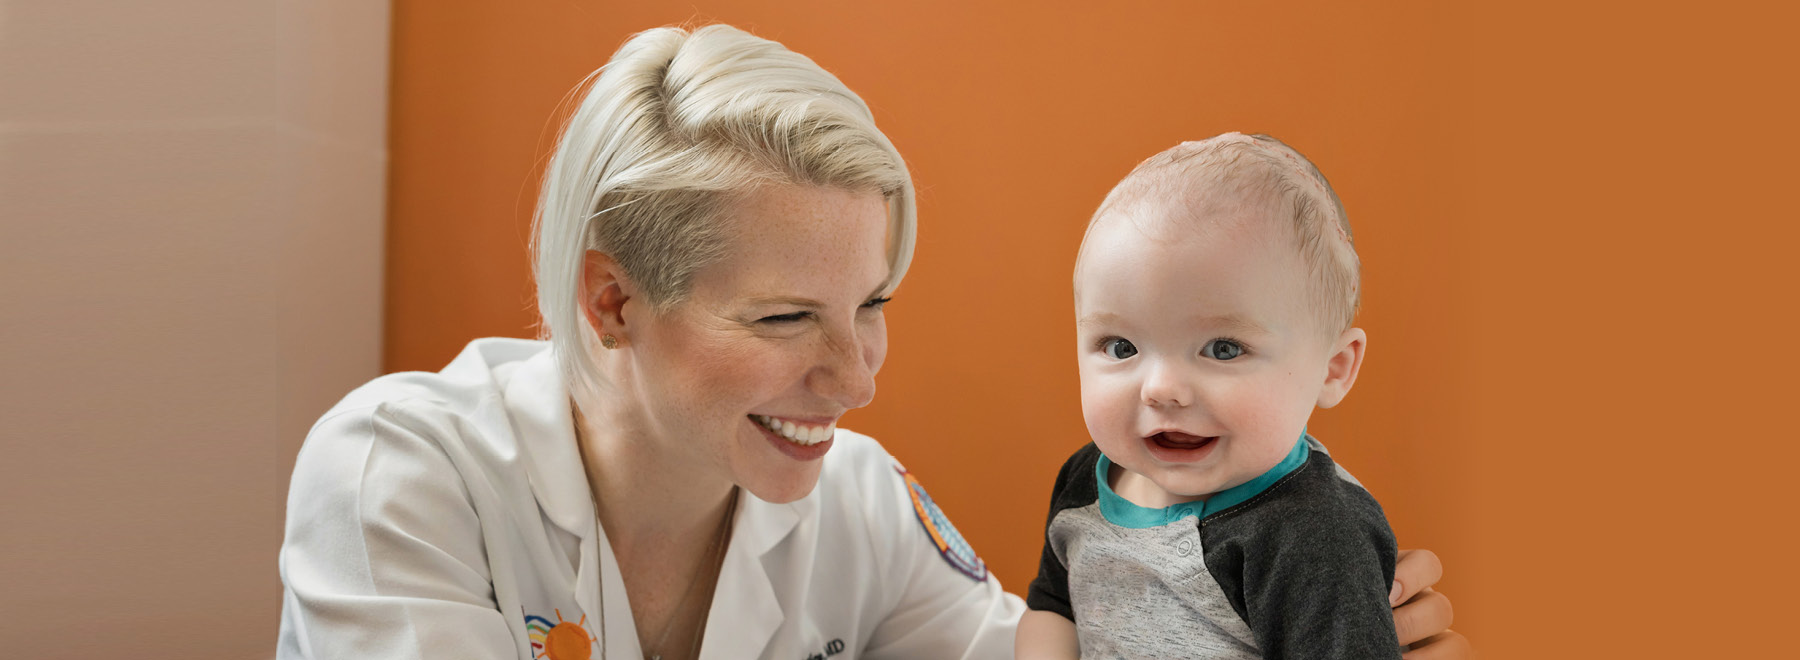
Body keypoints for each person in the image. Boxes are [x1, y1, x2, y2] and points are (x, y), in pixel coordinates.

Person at [277, 25, 1467, 660]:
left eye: (873, 304)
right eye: (785, 318)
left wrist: (1294, 618)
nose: (853, 380)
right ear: (613, 303)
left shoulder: (854, 502)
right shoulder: (397, 471)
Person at [1016, 134, 1430, 659]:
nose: (1162, 388)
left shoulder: (1313, 536)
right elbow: (1054, 608)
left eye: (1224, 348)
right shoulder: (1086, 480)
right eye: (1121, 346)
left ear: (1332, 368)